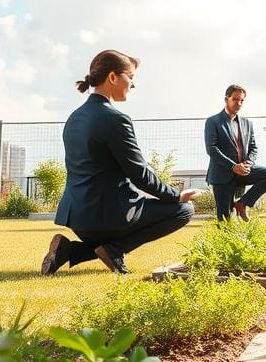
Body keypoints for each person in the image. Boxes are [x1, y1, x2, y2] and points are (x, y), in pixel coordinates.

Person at [41, 50, 199, 275]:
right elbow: (139, 174)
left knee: (133, 218)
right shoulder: (116, 119)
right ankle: (114, 250)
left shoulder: (74, 117)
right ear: (113, 77)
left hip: (78, 218)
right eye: (131, 77)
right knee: (184, 210)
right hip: (109, 217)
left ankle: (69, 251)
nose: (133, 85)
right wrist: (176, 195)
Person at [205, 84, 266, 221]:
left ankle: (242, 203)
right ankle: (226, 241)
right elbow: (211, 149)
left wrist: (248, 164)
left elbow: (253, 147)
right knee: (225, 218)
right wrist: (234, 166)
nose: (238, 103)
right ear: (226, 99)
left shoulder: (247, 123)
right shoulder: (213, 121)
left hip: (243, 171)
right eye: (235, 99)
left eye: (242, 100)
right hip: (222, 175)